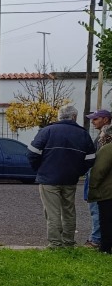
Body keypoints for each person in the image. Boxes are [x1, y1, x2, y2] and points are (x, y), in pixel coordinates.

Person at [27, 104, 96, 249]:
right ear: (74, 117)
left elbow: (32, 153)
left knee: (52, 212)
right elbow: (90, 159)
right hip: (70, 179)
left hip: (48, 179)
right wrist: (78, 171)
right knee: (69, 210)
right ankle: (69, 241)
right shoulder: (83, 134)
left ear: (59, 116)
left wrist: (40, 169)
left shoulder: (47, 131)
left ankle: (55, 243)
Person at [84, 109, 112, 248]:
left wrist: (93, 185)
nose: (92, 122)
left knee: (99, 211)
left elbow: (101, 165)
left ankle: (97, 239)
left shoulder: (105, 136)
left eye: (95, 119)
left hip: (103, 183)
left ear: (105, 119)